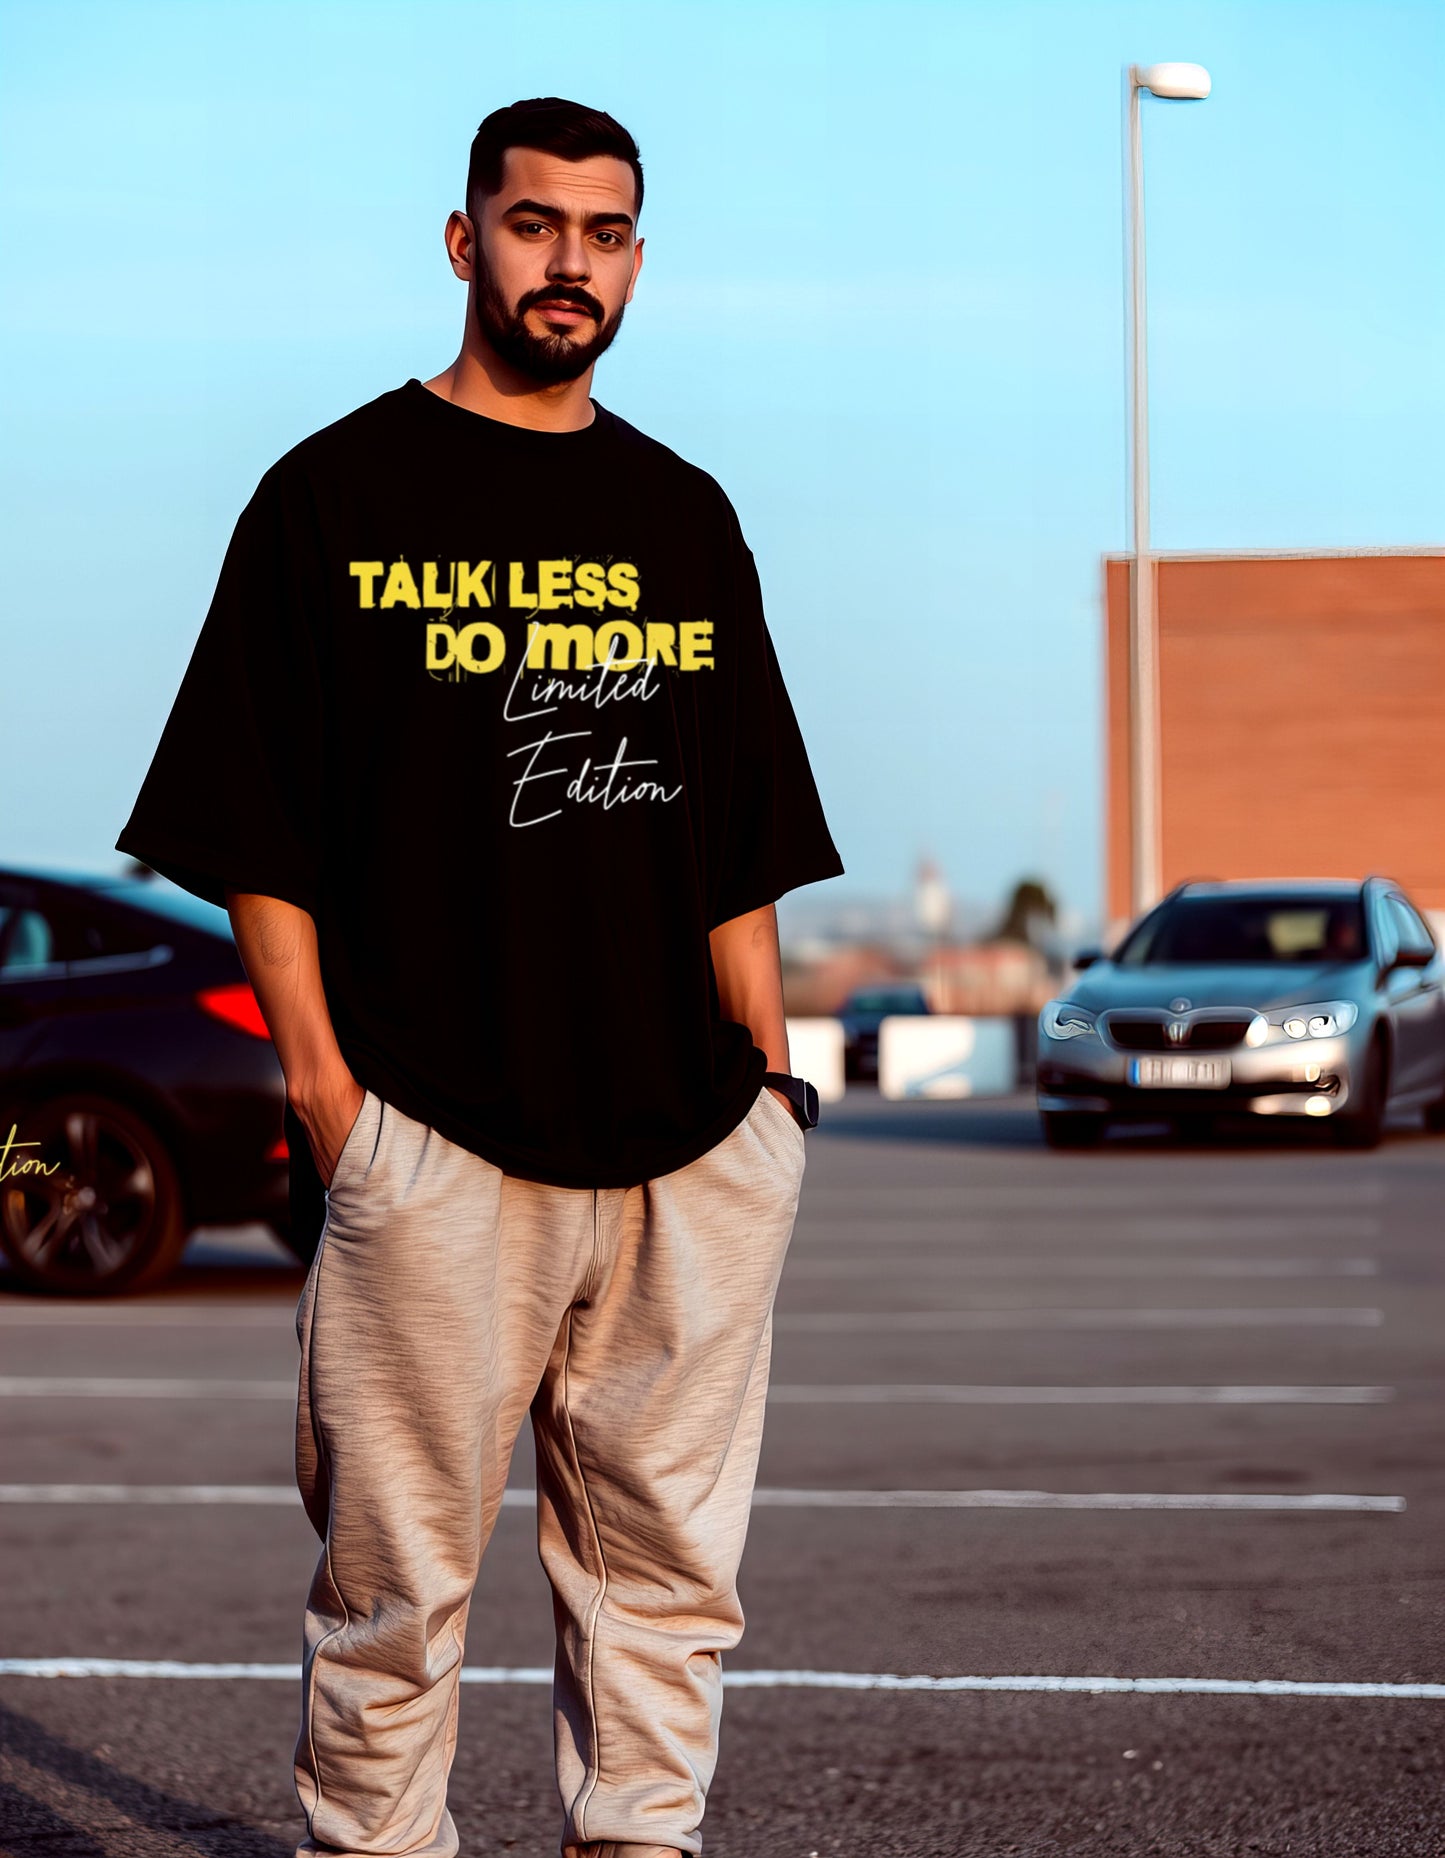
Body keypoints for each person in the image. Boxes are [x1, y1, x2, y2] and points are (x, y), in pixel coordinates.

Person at [114, 96, 843, 1858]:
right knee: (390, 1597)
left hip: (685, 1148)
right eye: (533, 228)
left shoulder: (684, 515)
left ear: (637, 262)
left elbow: (736, 844)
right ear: (465, 241)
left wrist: (770, 1106)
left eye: (602, 235)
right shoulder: (330, 499)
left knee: (669, 1590)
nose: (566, 264)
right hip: (433, 1139)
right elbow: (255, 830)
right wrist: (329, 1097)